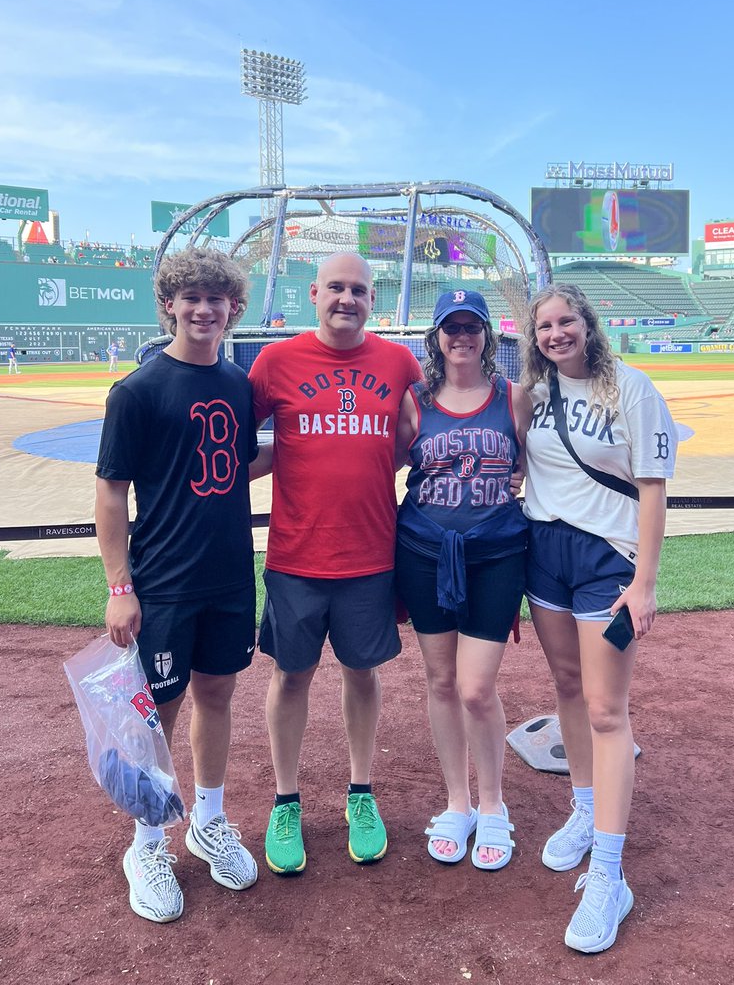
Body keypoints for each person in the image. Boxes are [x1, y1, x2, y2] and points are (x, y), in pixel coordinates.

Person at [95, 246, 259, 923]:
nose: (202, 309)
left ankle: (209, 820)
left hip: (228, 576)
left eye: (215, 299)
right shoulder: (136, 390)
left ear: (233, 309)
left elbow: (232, 468)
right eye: (189, 297)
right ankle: (147, 841)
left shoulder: (240, 385)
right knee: (157, 716)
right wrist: (118, 584)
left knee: (217, 695)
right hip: (162, 581)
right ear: (168, 304)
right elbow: (110, 494)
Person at [248, 252, 422, 875]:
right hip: (296, 554)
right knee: (291, 676)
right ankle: (286, 800)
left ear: (372, 299)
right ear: (314, 293)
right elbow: (237, 441)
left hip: (370, 554)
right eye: (337, 288)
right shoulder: (276, 361)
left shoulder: (398, 362)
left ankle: (361, 792)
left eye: (361, 290)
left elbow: (423, 432)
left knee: (361, 672)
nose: (348, 298)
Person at [520, 283, 678, 954]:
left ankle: (610, 875)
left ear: (587, 324)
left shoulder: (632, 389)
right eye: (544, 326)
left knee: (608, 709)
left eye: (566, 321)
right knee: (565, 689)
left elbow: (652, 488)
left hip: (605, 557)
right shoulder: (532, 394)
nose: (556, 333)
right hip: (543, 548)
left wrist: (644, 582)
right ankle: (584, 810)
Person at [394, 290, 531, 871]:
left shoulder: (514, 397)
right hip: (424, 551)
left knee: (476, 687)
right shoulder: (415, 401)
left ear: (486, 335)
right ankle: (458, 802)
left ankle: (494, 804)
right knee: (441, 680)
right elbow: (386, 464)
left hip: (497, 553)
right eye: (450, 327)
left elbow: (540, 462)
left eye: (471, 326)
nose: (461, 337)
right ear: (436, 337)